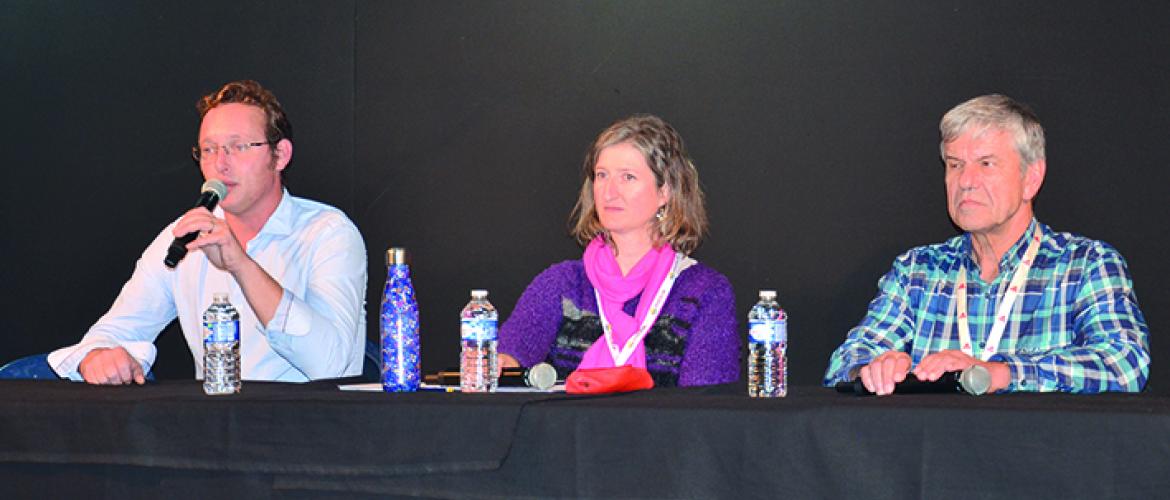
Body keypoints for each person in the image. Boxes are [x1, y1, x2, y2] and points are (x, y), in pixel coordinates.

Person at [824, 94, 1149, 395]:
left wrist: (998, 374)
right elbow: (844, 363)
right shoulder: (917, 271)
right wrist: (870, 370)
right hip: (932, 454)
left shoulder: (1085, 265)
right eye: (955, 165)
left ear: (1031, 179)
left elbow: (1124, 363)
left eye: (986, 164)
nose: (965, 181)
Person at [48, 80, 367, 384]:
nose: (220, 164)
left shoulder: (328, 234)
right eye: (209, 150)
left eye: (238, 147)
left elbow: (331, 364)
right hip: (215, 429)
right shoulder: (184, 235)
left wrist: (241, 265)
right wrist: (97, 356)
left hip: (311, 429)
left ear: (280, 155)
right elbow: (112, 333)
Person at [498, 114, 738, 387]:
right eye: (602, 176)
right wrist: (500, 364)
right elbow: (508, 361)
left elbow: (709, 406)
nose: (609, 192)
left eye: (628, 177)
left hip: (663, 430)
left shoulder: (703, 292)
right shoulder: (562, 284)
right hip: (568, 429)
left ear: (665, 192)